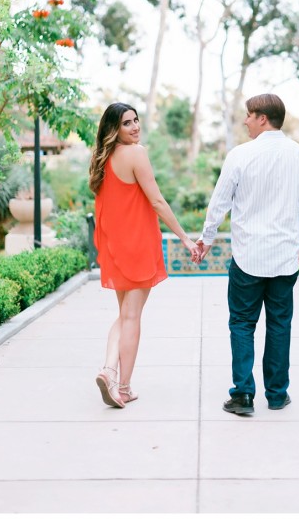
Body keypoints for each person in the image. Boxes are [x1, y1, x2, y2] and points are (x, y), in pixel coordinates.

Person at [193, 93, 299, 415]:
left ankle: (243, 395)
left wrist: (206, 239)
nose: (245, 121)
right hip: (284, 258)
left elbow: (220, 202)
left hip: (248, 257)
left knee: (242, 324)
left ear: (263, 118)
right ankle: (276, 394)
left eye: (249, 115)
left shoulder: (240, 155)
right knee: (279, 325)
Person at [89, 102, 199, 409]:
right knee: (133, 317)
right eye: (127, 123)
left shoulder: (103, 158)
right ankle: (120, 384)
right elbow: (158, 202)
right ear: (114, 129)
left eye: (136, 120)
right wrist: (185, 239)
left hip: (115, 246)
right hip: (138, 245)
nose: (135, 127)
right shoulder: (136, 154)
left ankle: (109, 370)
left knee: (125, 315)